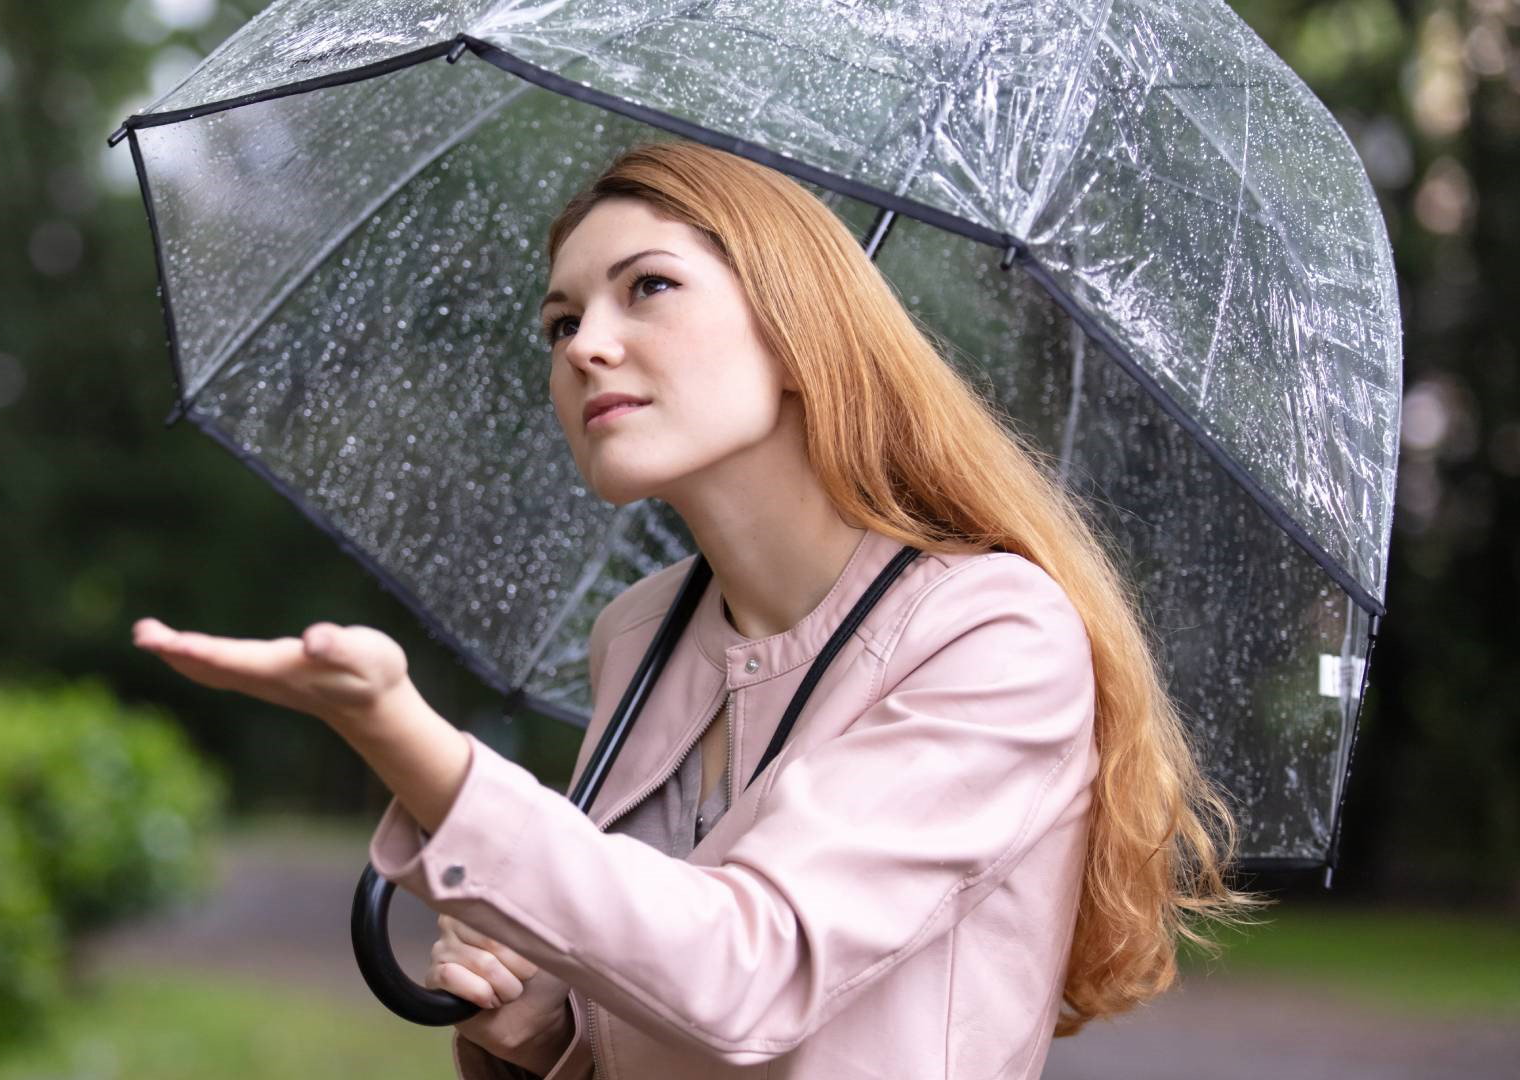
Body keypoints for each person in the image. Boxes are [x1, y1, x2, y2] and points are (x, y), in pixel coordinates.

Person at [132, 140, 1265, 1078]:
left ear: (795, 327)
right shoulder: (642, 631)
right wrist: (537, 1024)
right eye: (559, 322)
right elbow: (655, 1001)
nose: (587, 345)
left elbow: (751, 975)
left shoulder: (993, 635)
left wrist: (402, 738)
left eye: (649, 287)